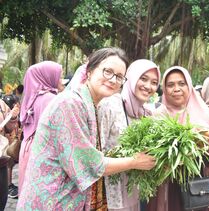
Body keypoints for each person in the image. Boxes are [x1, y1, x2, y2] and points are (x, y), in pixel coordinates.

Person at [17, 48, 156, 210]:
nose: (112, 80)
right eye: (107, 72)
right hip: (51, 201)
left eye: (119, 77)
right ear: (89, 71)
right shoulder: (70, 103)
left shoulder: (91, 105)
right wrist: (135, 161)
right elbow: (90, 163)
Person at [148, 66, 209, 211]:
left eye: (181, 83)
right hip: (166, 185)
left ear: (189, 86)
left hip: (196, 185)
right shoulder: (158, 116)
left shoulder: (204, 114)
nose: (176, 89)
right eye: (170, 85)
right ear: (164, 89)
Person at [97, 59, 160, 211]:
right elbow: (95, 156)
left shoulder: (146, 114)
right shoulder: (110, 105)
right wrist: (133, 161)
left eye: (154, 82)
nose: (148, 86)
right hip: (109, 196)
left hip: (134, 194)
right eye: (143, 79)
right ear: (131, 78)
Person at [18, 61, 65, 193]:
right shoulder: (50, 99)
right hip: (42, 150)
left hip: (28, 147)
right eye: (59, 76)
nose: (61, 81)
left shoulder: (32, 97)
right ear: (48, 77)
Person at [0, 98, 19, 209]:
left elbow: (8, 128)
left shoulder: (1, 103)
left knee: (1, 199)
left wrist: (12, 117)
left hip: (1, 159)